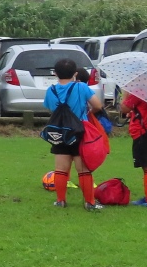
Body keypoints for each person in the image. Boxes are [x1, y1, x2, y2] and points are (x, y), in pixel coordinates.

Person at [42, 57, 104, 210]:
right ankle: (89, 202)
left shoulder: (51, 90)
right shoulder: (81, 87)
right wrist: (87, 112)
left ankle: (60, 201)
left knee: (60, 169)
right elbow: (98, 105)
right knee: (83, 170)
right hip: (79, 131)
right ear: (75, 73)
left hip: (59, 132)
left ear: (55, 74)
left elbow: (50, 109)